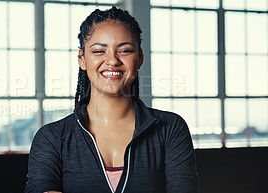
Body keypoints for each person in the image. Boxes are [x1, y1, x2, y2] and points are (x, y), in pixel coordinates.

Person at [25, 6, 199, 193]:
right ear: (82, 59)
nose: (112, 61)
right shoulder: (52, 138)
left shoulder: (171, 128)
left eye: (124, 50)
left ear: (140, 57)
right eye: (99, 51)